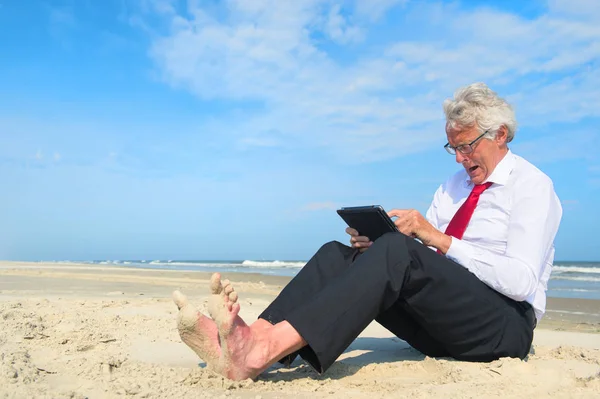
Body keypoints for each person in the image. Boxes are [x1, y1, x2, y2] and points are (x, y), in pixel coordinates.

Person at [172, 82, 563, 381]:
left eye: (467, 146)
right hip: (442, 326)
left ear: (500, 135)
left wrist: (433, 239)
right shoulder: (452, 187)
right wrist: (376, 249)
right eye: (452, 148)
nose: (460, 158)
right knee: (338, 254)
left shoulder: (532, 186)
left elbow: (521, 282)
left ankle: (259, 352)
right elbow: (428, 267)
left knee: (397, 251)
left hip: (504, 328)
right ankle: (252, 336)